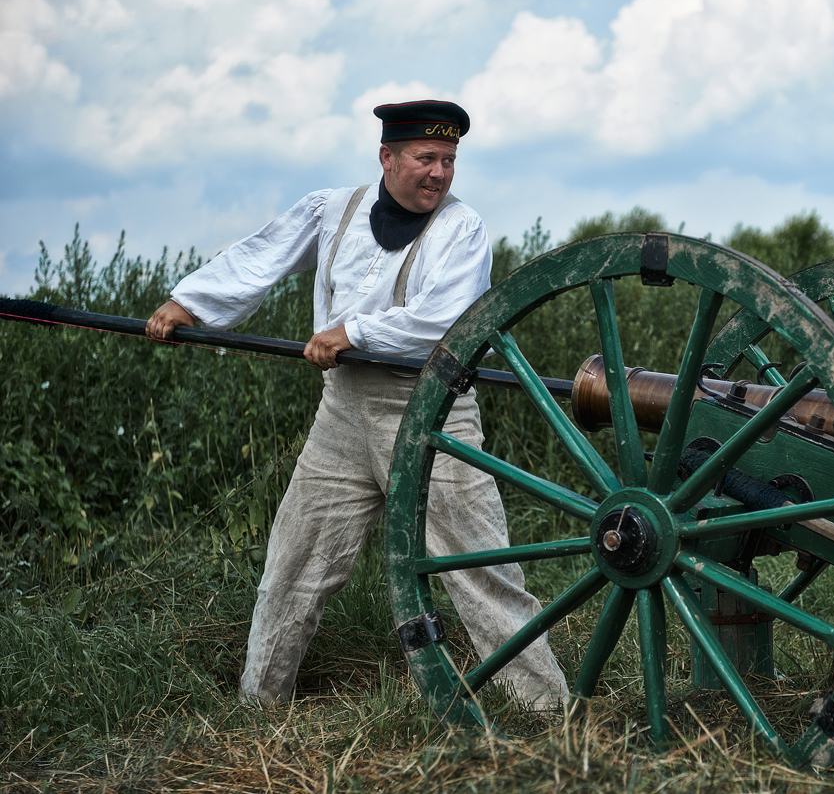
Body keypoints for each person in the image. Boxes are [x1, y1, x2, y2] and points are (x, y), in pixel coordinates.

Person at [146, 100, 568, 709]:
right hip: (342, 412)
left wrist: (355, 332)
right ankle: (258, 707)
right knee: (294, 564)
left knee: (482, 571)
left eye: (449, 160)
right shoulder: (330, 210)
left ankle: (544, 711)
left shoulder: (462, 229)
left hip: (432, 411)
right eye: (426, 158)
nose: (440, 173)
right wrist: (191, 304)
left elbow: (448, 321)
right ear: (387, 156)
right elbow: (258, 258)